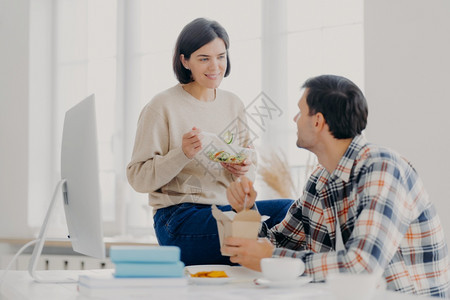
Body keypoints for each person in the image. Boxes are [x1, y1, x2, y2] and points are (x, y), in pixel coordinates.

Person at [222, 74, 450, 297]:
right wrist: (245, 209)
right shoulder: (319, 181)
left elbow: (362, 266)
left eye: (300, 112)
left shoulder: (382, 168)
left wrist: (271, 257)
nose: (294, 119)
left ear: (317, 121)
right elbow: (275, 243)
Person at [126, 18, 293, 266]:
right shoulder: (162, 106)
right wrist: (182, 153)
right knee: (253, 230)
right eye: (204, 58)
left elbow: (249, 165)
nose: (215, 66)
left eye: (221, 56)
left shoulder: (233, 103)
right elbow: (137, 177)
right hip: (179, 218)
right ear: (185, 61)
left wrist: (243, 169)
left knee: (292, 211)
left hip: (227, 209)